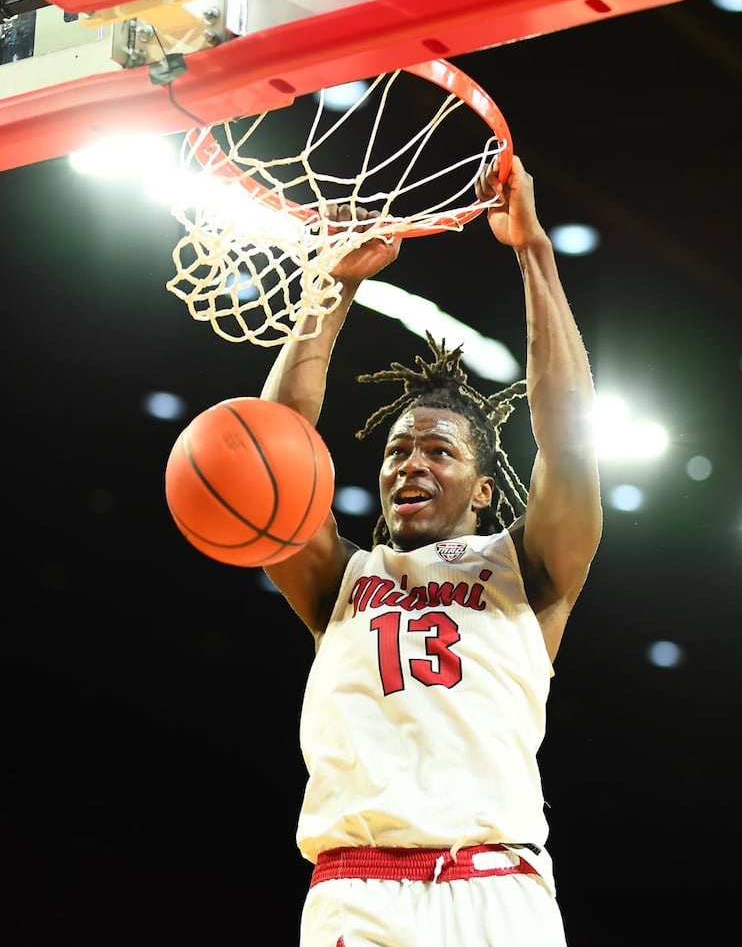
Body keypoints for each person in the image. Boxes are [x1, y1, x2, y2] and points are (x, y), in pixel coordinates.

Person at [259, 152, 603, 947]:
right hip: (358, 890)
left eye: (439, 452)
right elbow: (275, 450)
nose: (410, 461)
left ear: (484, 489)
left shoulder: (532, 570)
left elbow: (572, 442)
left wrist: (533, 252)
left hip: (496, 886)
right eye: (398, 450)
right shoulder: (339, 579)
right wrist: (334, 287)